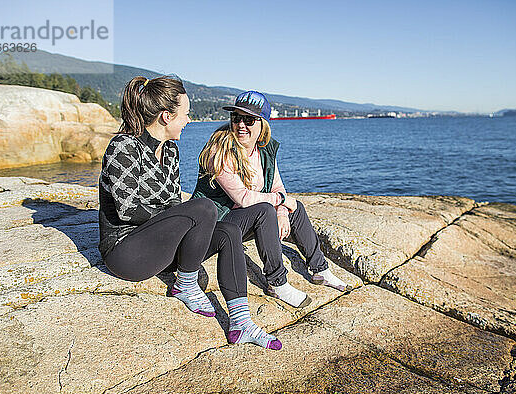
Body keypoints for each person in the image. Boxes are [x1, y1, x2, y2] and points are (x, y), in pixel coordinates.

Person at [99, 77, 281, 350]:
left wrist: (181, 219)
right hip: (127, 252)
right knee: (204, 207)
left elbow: (172, 202)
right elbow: (127, 209)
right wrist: (182, 218)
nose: (188, 120)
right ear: (165, 116)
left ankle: (241, 322)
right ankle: (185, 283)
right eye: (185, 114)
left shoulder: (170, 150)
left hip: (164, 248)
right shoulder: (123, 147)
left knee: (228, 230)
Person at [193, 91, 351, 309]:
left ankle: (319, 270)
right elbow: (244, 198)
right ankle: (277, 282)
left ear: (263, 124)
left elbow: (277, 186)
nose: (241, 125)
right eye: (236, 118)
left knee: (295, 209)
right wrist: (281, 200)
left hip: (244, 221)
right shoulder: (218, 151)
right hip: (216, 226)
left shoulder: (265, 150)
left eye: (249, 120)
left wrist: (283, 210)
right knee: (264, 210)